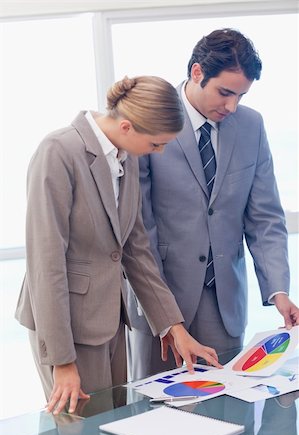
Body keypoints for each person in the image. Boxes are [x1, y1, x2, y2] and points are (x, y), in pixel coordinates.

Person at [15, 75, 221, 416]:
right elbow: (45, 264)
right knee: (77, 431)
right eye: (157, 144)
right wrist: (62, 361)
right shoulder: (58, 152)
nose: (160, 152)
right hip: (65, 325)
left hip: (109, 320)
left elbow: (135, 248)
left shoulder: (126, 156)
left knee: (113, 421)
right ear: (127, 126)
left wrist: (174, 326)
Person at [126, 28, 299, 380]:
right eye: (225, 92)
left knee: (226, 412)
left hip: (224, 306)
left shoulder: (251, 125)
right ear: (197, 73)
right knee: (156, 415)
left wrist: (278, 290)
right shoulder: (152, 119)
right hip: (160, 300)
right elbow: (140, 226)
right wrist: (165, 314)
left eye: (241, 95)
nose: (232, 106)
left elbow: (265, 217)